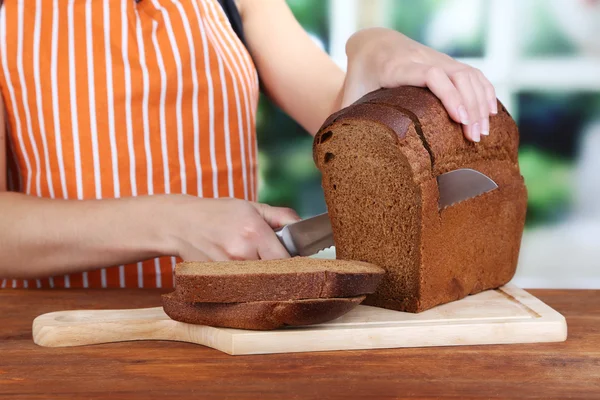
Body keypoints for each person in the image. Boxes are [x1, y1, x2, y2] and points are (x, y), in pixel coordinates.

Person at [0, 0, 497, 289]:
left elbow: (340, 114)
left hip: (239, 323)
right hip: (64, 334)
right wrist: (170, 223)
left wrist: (371, 47)